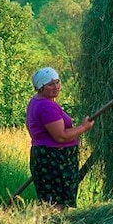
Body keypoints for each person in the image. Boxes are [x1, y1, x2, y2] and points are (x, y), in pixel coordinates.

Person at [26, 67, 94, 208]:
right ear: (40, 87)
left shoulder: (36, 101)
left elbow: (31, 127)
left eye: (57, 82)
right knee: (58, 203)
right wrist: (83, 127)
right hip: (55, 159)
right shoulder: (46, 106)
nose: (56, 87)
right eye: (50, 84)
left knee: (50, 200)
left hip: (47, 156)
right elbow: (61, 137)